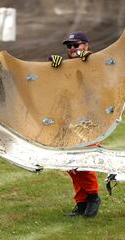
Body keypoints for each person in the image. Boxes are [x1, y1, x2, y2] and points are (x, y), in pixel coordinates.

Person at [49, 32, 101, 218]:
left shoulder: (95, 60)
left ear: (86, 45)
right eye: (69, 46)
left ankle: (93, 196)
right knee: (70, 164)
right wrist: (53, 67)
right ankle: (81, 202)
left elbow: (104, 72)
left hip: (88, 122)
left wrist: (89, 59)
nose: (72, 49)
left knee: (82, 161)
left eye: (76, 45)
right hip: (68, 119)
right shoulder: (65, 66)